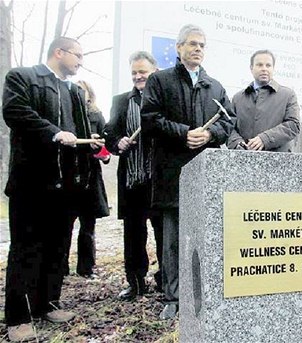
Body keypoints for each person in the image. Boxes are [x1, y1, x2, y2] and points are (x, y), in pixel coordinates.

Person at [2, 37, 103, 342]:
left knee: (58, 248)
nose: (80, 62)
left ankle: (48, 304)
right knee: (26, 249)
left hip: (67, 187)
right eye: (77, 55)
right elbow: (15, 112)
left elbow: (80, 132)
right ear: (59, 52)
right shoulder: (23, 77)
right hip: (31, 184)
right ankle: (18, 318)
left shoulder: (73, 90)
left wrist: (92, 142)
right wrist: (54, 133)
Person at [141, 24, 234, 319]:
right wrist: (184, 133)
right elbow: (150, 119)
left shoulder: (214, 86)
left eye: (202, 45)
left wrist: (209, 135)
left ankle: (202, 291)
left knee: (205, 235)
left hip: (205, 174)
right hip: (172, 173)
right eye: (192, 44)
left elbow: (229, 122)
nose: (198, 49)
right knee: (173, 239)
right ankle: (173, 297)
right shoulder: (159, 81)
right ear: (179, 48)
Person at [104, 51, 164, 301]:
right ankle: (136, 282)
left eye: (143, 72)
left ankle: (165, 280)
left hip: (159, 182)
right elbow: (109, 133)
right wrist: (118, 142)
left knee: (163, 233)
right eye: (134, 73)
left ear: (155, 71)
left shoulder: (164, 99)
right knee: (133, 234)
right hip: (132, 181)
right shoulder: (120, 101)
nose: (139, 76)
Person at [62, 79, 111, 278]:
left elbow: (106, 150)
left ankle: (86, 268)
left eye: (83, 91)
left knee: (88, 225)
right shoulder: (66, 114)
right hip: (69, 175)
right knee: (65, 224)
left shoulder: (96, 115)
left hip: (90, 176)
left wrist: (98, 147)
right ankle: (60, 267)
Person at [227, 49, 300, 151]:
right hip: (243, 159)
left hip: (278, 161)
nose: (264, 69)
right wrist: (237, 143)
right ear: (251, 68)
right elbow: (228, 127)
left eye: (268, 65)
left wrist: (265, 139)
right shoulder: (238, 98)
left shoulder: (288, 95)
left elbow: (293, 125)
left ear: (273, 68)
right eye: (259, 65)